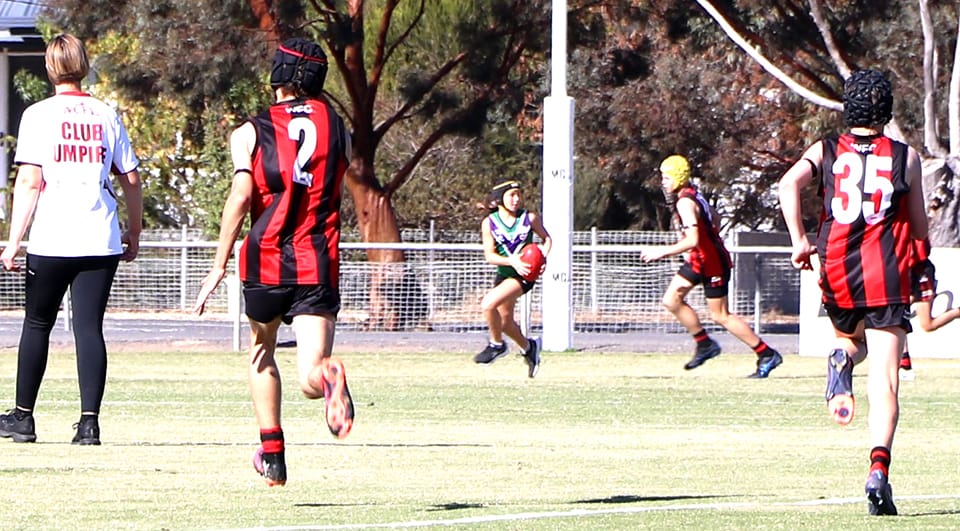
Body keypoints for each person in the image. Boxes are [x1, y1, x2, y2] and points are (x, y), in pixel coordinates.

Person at [193, 37, 354, 487]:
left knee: (262, 353)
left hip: (266, 261)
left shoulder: (249, 131)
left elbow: (242, 196)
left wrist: (218, 265)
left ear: (280, 74)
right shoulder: (339, 126)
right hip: (317, 260)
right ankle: (329, 377)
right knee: (309, 372)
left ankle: (274, 456)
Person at [778, 69, 928, 516]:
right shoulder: (906, 156)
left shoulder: (824, 150)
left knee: (849, 340)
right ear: (887, 110)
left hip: (837, 270)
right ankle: (878, 470)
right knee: (885, 378)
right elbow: (920, 228)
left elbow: (789, 184)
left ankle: (842, 356)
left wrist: (799, 241)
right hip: (885, 274)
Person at [0, 34, 143, 445]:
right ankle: (89, 423)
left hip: (52, 239)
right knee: (88, 328)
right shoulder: (105, 114)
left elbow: (29, 181)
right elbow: (130, 179)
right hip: (99, 237)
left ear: (49, 68)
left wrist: (13, 241)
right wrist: (133, 231)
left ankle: (23, 417)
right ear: (83, 65)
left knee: (37, 323)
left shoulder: (38, 115)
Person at [641, 155, 783, 378]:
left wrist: (662, 251)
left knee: (721, 316)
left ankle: (767, 354)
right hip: (700, 259)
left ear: (678, 177)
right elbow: (714, 218)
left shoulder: (685, 202)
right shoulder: (693, 195)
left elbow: (693, 240)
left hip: (712, 262)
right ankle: (705, 344)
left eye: (666, 177)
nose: (663, 182)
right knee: (671, 300)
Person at [473, 180, 552, 378]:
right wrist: (512, 261)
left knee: (488, 304)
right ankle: (529, 348)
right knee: (506, 322)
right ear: (499, 199)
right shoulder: (489, 223)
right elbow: (490, 256)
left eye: (519, 194)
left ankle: (496, 344)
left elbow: (547, 239)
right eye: (511, 195)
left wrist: (542, 257)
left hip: (524, 275)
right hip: (506, 274)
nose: (516, 199)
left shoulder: (529, 218)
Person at [899, 236, 960, 380]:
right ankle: (904, 363)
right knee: (896, 315)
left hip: (920, 273)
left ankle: (957, 312)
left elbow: (918, 250)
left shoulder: (908, 224)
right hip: (905, 272)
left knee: (927, 325)